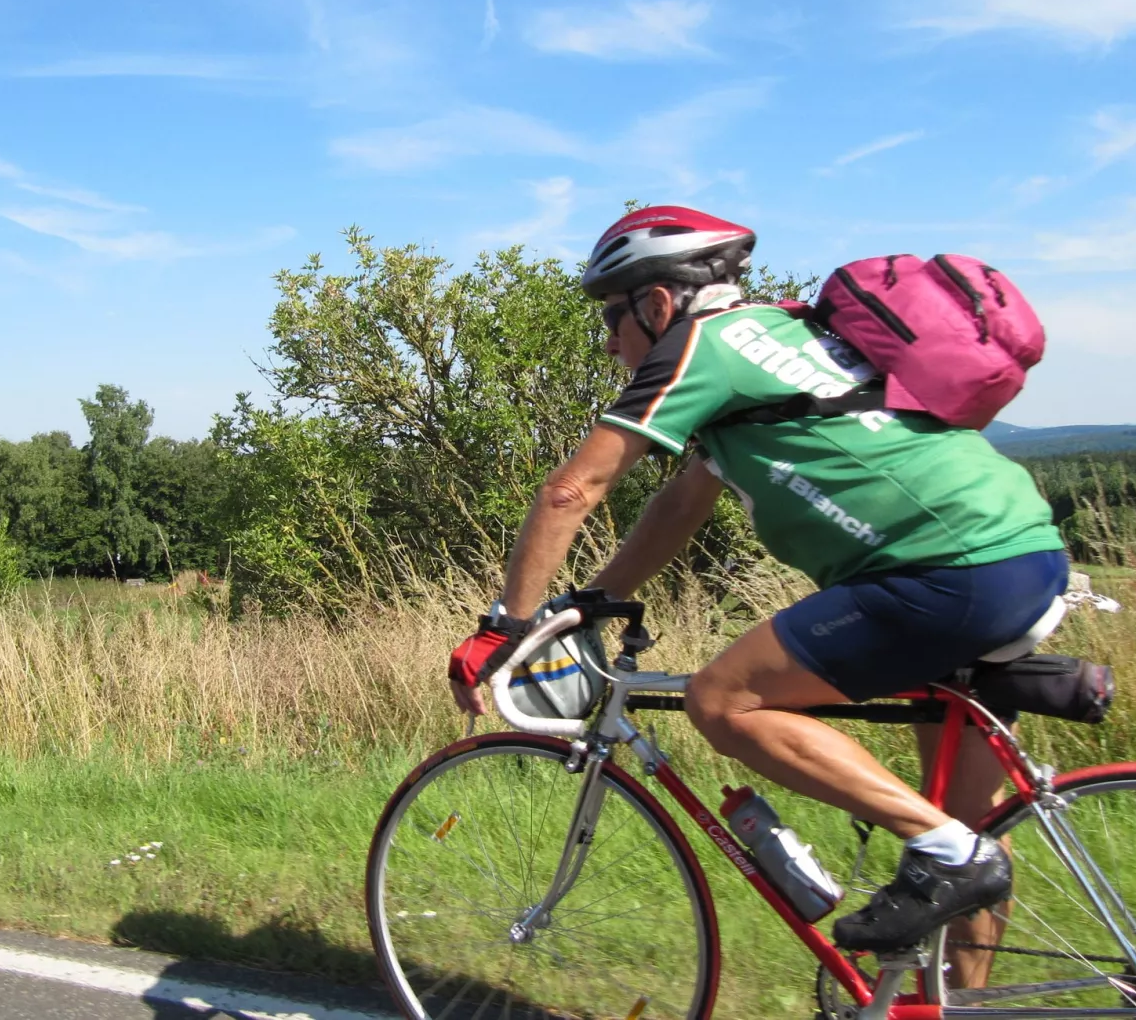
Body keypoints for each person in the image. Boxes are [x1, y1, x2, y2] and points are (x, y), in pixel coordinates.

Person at [447, 205, 1068, 957]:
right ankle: (953, 989)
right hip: (1025, 553)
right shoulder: (788, 337)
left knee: (722, 700)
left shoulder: (700, 347)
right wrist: (589, 602)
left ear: (659, 302)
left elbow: (571, 491)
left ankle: (949, 854)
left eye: (613, 315)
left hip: (946, 574)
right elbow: (681, 505)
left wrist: (504, 628)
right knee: (964, 832)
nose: (610, 339)